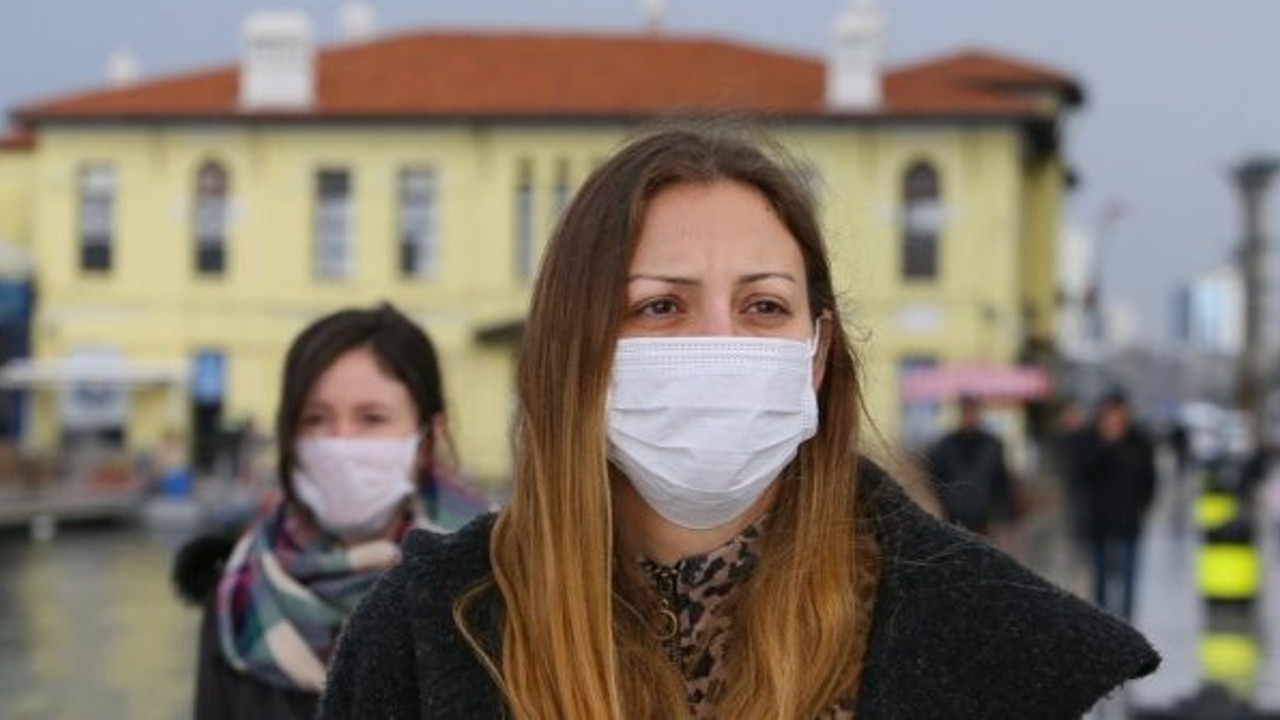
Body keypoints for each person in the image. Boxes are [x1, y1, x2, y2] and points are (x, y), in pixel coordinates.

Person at [321, 125, 1158, 719]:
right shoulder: (428, 629)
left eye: (763, 306)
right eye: (660, 306)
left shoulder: (985, 639)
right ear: (576, 352)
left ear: (816, 357)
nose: (717, 344)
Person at [172, 303, 451, 720]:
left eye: (372, 418)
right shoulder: (238, 592)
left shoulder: (490, 588)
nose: (340, 442)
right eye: (315, 419)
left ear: (429, 439)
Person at [1079, 389, 1157, 620]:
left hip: (1128, 519)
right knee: (1100, 577)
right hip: (1099, 519)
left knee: (1128, 577)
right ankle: (1101, 621)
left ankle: (1126, 623)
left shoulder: (1139, 441)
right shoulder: (1092, 439)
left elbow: (1148, 478)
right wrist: (1106, 445)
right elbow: (1083, 473)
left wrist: (1142, 506)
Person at [925, 394, 1014, 535]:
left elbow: (1001, 481)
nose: (970, 417)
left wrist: (1000, 515)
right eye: (966, 412)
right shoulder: (946, 445)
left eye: (973, 412)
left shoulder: (992, 445)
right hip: (953, 517)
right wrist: (941, 505)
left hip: (983, 518)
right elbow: (935, 477)